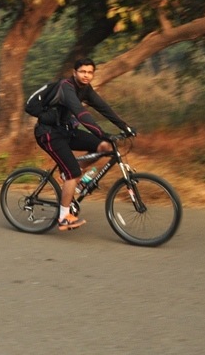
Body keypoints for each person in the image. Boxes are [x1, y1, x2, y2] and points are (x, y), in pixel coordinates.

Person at [34, 58, 136, 230]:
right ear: (75, 73)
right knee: (73, 172)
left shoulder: (86, 90)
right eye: (82, 72)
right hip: (49, 133)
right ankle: (64, 217)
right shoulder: (66, 87)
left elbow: (104, 108)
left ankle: (71, 174)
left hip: (66, 131)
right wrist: (102, 132)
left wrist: (125, 127)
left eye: (90, 72)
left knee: (105, 146)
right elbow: (81, 115)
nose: (86, 75)